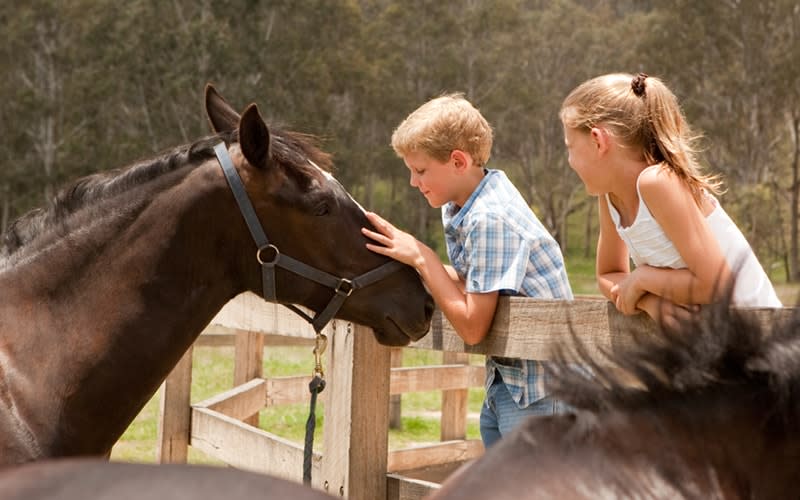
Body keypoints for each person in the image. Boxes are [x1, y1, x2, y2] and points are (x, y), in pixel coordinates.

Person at [361, 93, 573, 448]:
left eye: (421, 170)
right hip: (510, 382)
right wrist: (408, 262)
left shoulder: (489, 217)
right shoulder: (469, 201)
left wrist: (423, 258)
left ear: (458, 161)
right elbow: (481, 280)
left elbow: (473, 327)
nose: (414, 182)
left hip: (542, 392)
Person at [559, 72, 781, 324]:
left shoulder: (657, 182)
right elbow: (609, 274)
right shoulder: (611, 196)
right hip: (708, 345)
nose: (570, 161)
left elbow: (717, 284)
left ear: (598, 141)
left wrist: (643, 279)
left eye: (570, 147)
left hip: (758, 337)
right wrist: (650, 300)